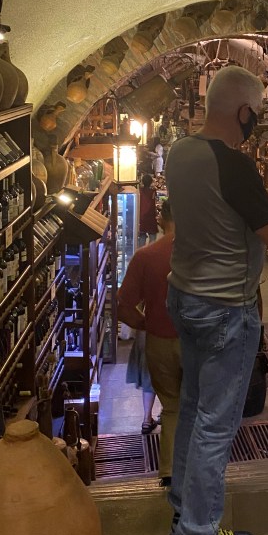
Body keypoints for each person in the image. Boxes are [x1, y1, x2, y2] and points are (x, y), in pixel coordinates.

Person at [165, 65, 268, 535]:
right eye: (258, 112)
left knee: (192, 408)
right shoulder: (235, 164)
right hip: (226, 308)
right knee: (217, 424)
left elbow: (227, 206)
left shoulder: (181, 152)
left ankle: (184, 514)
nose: (259, 121)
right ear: (244, 111)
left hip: (184, 297)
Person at [116, 200, 180, 486]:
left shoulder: (146, 256)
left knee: (172, 407)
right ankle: (199, 470)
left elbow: (123, 308)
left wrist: (147, 323)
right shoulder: (205, 252)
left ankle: (168, 471)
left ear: (161, 219)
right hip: (199, 343)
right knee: (199, 408)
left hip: (160, 342)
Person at [138, 173, 158, 247]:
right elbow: (154, 203)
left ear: (142, 182)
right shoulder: (153, 192)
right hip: (151, 217)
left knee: (141, 237)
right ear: (151, 182)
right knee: (153, 237)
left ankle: (141, 251)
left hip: (141, 217)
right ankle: (151, 251)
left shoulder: (139, 191)